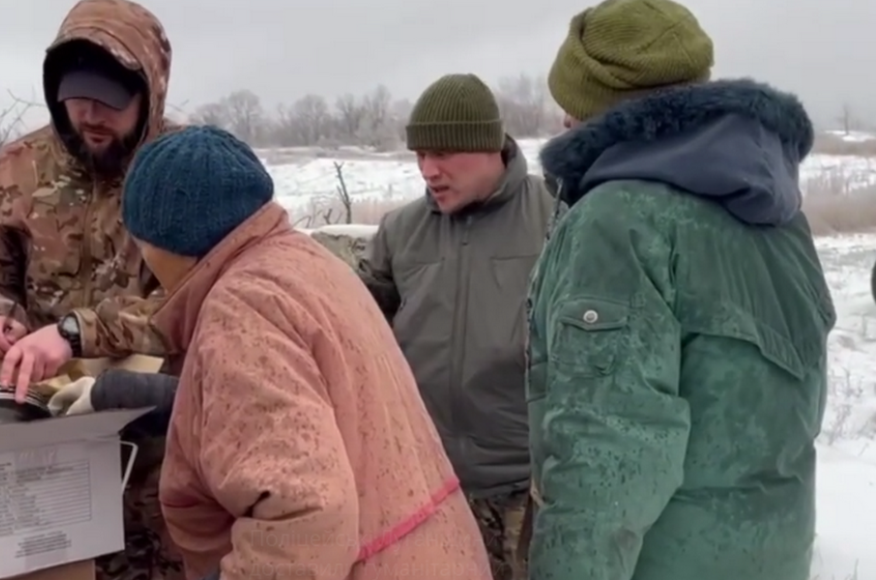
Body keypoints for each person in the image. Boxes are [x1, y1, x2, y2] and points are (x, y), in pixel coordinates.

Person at [82, 124, 493, 580]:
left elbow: (303, 519)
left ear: (159, 239)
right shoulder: (306, 264)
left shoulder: (241, 308)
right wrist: (152, 400)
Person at [525, 1, 836, 579]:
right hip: (771, 554)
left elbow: (607, 458)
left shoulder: (617, 220)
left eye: (571, 102)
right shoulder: (776, 211)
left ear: (596, 110)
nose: (563, 118)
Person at [0, 1, 183, 579]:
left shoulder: (184, 172)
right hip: (48, 433)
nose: (90, 116)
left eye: (110, 103)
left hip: (165, 440)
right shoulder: (15, 170)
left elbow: (201, 299)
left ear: (149, 92)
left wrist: (74, 332)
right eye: (77, 99)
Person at [357, 73, 556, 580]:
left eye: (443, 153)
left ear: (490, 147)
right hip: (426, 482)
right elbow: (355, 327)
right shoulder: (400, 231)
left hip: (527, 488)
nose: (429, 170)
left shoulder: (556, 218)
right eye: (420, 155)